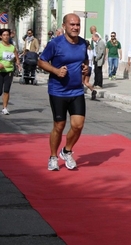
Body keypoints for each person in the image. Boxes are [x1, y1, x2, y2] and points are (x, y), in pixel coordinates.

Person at [38, 13, 89, 171]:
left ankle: (66, 151)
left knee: (78, 125)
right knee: (59, 126)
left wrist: (87, 69)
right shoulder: (55, 43)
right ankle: (53, 156)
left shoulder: (83, 44)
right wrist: (55, 70)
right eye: (72, 24)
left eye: (78, 24)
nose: (75, 27)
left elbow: (84, 60)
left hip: (76, 91)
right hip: (58, 90)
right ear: (64, 26)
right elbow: (41, 61)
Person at [0, 29, 21, 115]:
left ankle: (5, 108)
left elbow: (16, 58)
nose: (6, 36)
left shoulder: (12, 47)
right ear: (1, 36)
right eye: (4, 35)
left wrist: (18, 64)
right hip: (0, 71)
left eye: (7, 35)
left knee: (6, 90)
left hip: (9, 71)